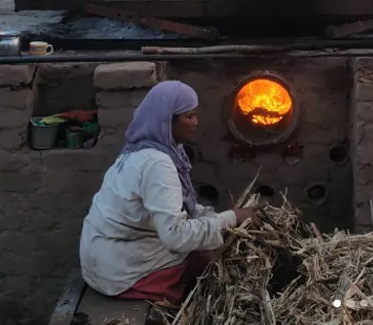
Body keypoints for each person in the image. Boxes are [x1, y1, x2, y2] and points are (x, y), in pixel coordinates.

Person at [79, 80, 255, 306]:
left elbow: (174, 210)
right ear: (166, 121)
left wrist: (214, 218)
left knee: (207, 243)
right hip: (118, 272)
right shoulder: (157, 163)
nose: (196, 122)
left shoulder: (141, 151)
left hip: (101, 260)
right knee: (207, 258)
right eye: (189, 117)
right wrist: (233, 217)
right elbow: (176, 236)